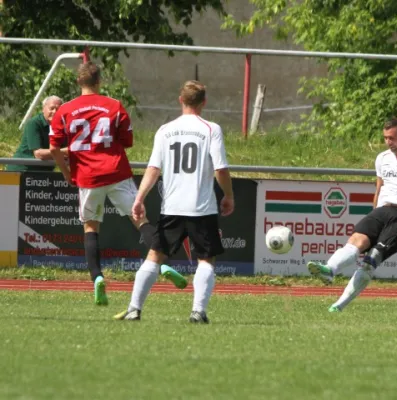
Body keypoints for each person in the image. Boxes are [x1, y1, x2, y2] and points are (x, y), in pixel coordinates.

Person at [49, 61, 186, 306]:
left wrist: (66, 171)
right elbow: (127, 141)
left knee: (91, 228)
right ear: (99, 81)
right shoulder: (114, 106)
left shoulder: (65, 110)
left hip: (87, 176)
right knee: (140, 219)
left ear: (78, 82)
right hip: (116, 171)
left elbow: (54, 147)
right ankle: (163, 264)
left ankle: (97, 277)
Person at [114, 80, 234, 323]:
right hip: (201, 209)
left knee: (154, 256)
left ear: (181, 100)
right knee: (206, 259)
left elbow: (153, 168)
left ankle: (134, 308)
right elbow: (220, 169)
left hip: (172, 207)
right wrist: (229, 196)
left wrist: (139, 198)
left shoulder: (165, 130)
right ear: (204, 103)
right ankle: (198, 312)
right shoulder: (211, 129)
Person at [308, 118, 397, 312]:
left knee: (371, 260)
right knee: (356, 240)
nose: (388, 142)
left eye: (392, 138)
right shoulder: (382, 158)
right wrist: (374, 212)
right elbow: (379, 188)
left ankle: (339, 305)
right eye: (385, 138)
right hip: (382, 210)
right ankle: (329, 270)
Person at [7, 96, 68, 172]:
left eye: (58, 109)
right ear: (43, 109)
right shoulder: (34, 123)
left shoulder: (63, 126)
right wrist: (64, 152)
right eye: (51, 108)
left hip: (45, 171)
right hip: (23, 170)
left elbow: (67, 152)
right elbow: (38, 154)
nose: (54, 112)